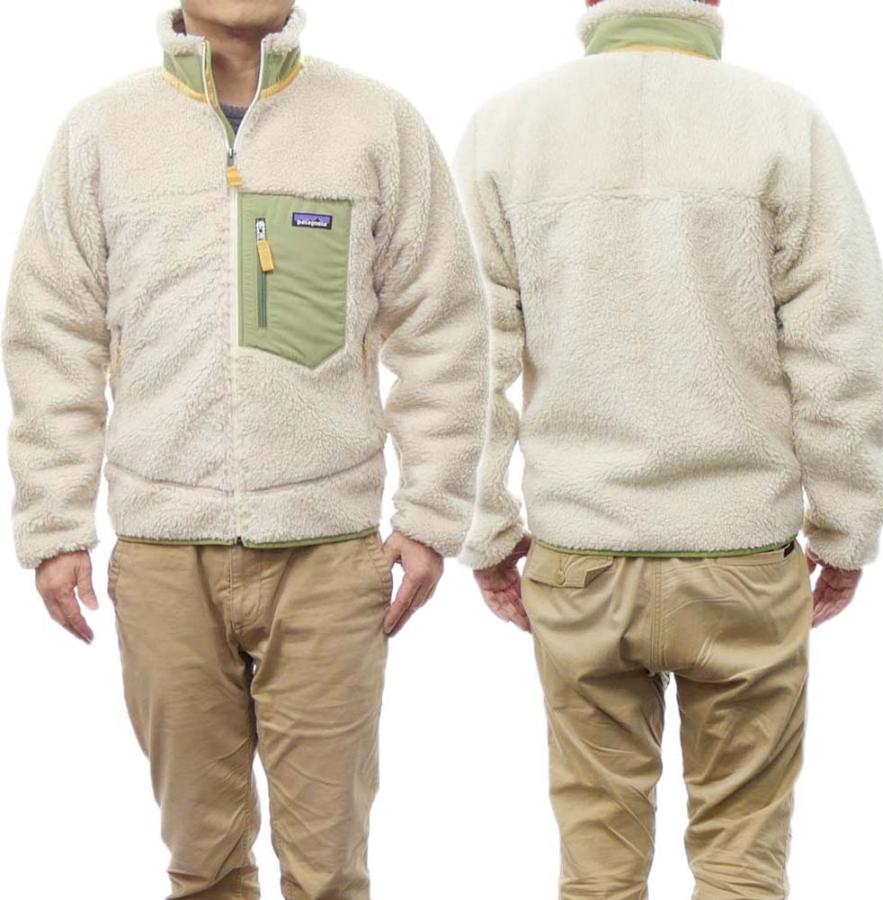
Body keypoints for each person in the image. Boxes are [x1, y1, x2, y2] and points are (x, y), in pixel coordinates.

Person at [3, 2, 487, 897]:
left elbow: (444, 325)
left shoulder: (375, 123)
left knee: (329, 871)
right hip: (163, 553)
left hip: (328, 553)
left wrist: (430, 514)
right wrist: (55, 522)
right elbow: (52, 334)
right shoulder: (103, 131)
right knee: (202, 864)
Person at [458, 0, 883, 896]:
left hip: (581, 560)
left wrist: (487, 534)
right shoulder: (781, 122)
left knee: (598, 867)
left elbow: (466, 359)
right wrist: (846, 530)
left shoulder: (509, 129)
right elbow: (844, 347)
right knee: (742, 860)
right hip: (742, 559)